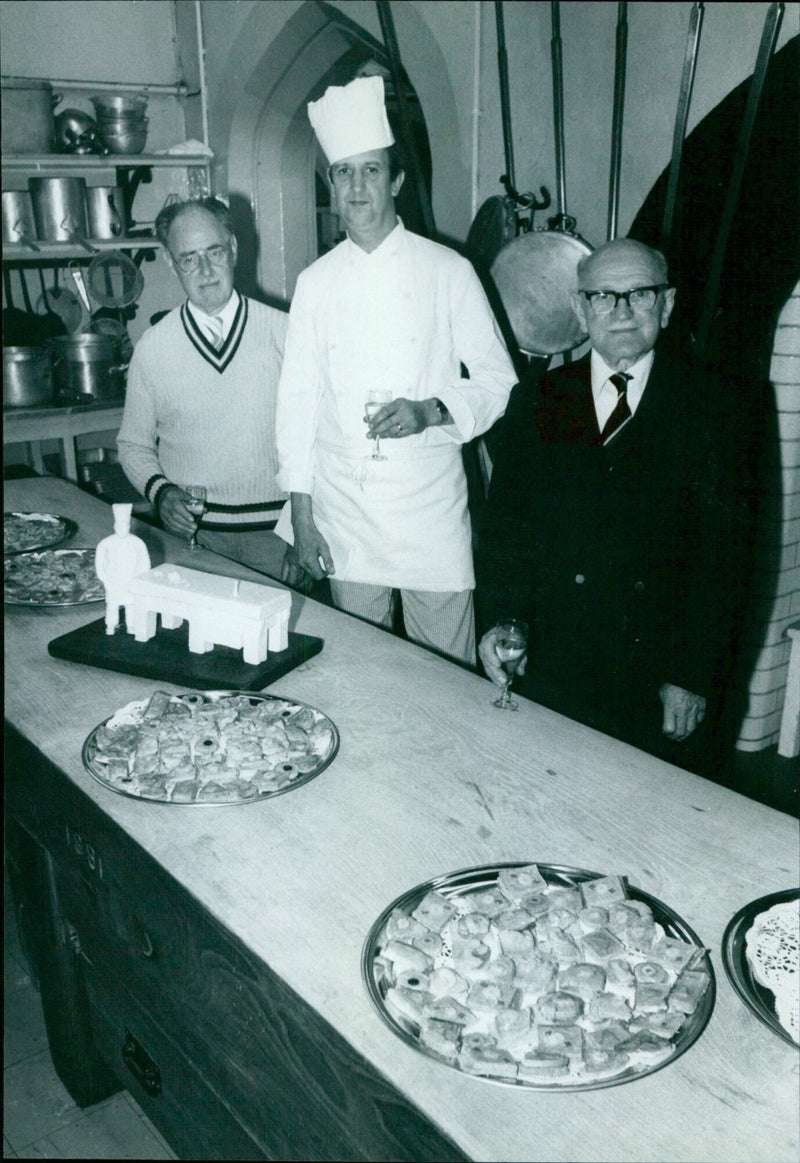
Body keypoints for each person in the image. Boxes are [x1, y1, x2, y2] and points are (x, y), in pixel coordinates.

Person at [275, 76, 516, 665]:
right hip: (345, 511)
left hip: (428, 511)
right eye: (343, 172)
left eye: (372, 171)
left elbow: (497, 379)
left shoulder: (448, 271)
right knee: (362, 670)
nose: (357, 186)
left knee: (447, 670)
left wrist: (428, 411)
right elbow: (297, 406)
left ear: (398, 182)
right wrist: (302, 521)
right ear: (332, 184)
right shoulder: (315, 283)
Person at [476, 238, 735, 772]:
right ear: (579, 307)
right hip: (555, 660)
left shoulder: (719, 406)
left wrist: (692, 676)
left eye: (639, 294)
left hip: (659, 678)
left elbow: (726, 560)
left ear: (666, 304)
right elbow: (506, 533)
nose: (621, 311)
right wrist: (504, 621)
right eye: (603, 296)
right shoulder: (537, 402)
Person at [117, 197, 289, 579]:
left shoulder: (285, 332)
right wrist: (162, 494)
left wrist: (303, 528)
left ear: (234, 249)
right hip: (192, 538)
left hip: (275, 539)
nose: (206, 270)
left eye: (214, 252)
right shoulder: (153, 348)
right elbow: (133, 445)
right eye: (189, 258)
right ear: (170, 262)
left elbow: (319, 440)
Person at [94, 502, 151, 635]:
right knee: (112, 606)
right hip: (113, 580)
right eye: (119, 526)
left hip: (131, 580)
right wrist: (104, 578)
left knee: (131, 605)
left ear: (129, 526)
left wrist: (141, 577)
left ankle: (131, 626)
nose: (122, 529)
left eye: (124, 525)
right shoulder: (106, 543)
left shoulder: (137, 542)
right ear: (114, 526)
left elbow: (144, 561)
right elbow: (99, 562)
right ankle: (110, 627)